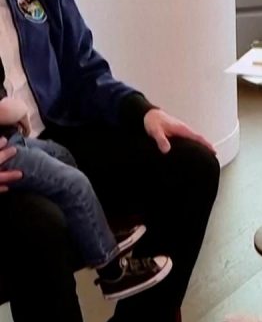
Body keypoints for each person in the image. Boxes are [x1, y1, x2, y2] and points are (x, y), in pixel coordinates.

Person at [0, 0, 220, 322]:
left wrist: (144, 112)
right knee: (41, 227)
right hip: (9, 174)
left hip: (60, 140)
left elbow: (85, 72)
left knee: (194, 166)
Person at [0, 89, 173, 301]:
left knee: (62, 155)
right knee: (74, 184)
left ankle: (92, 233)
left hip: (11, 137)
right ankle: (112, 273)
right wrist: (18, 110)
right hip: (6, 151)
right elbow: (6, 109)